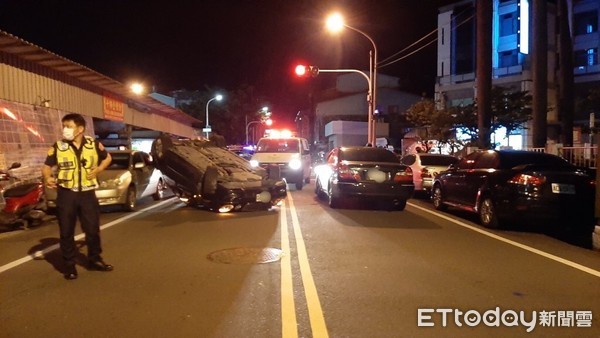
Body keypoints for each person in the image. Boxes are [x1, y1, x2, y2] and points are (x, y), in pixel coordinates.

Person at [42, 113, 113, 280]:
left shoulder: (93, 144)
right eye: (64, 126)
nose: (65, 130)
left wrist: (99, 169)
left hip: (87, 193)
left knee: (92, 230)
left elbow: (108, 158)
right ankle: (69, 266)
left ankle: (95, 260)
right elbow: (46, 167)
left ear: (80, 129)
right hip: (67, 194)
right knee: (66, 231)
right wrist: (48, 177)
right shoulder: (58, 146)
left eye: (69, 126)